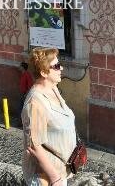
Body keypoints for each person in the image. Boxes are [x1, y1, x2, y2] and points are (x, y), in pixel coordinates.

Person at [22, 48, 76, 186]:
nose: (61, 68)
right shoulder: (35, 102)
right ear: (44, 72)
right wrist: (55, 178)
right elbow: (33, 145)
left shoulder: (53, 88)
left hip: (61, 172)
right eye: (57, 66)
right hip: (46, 179)